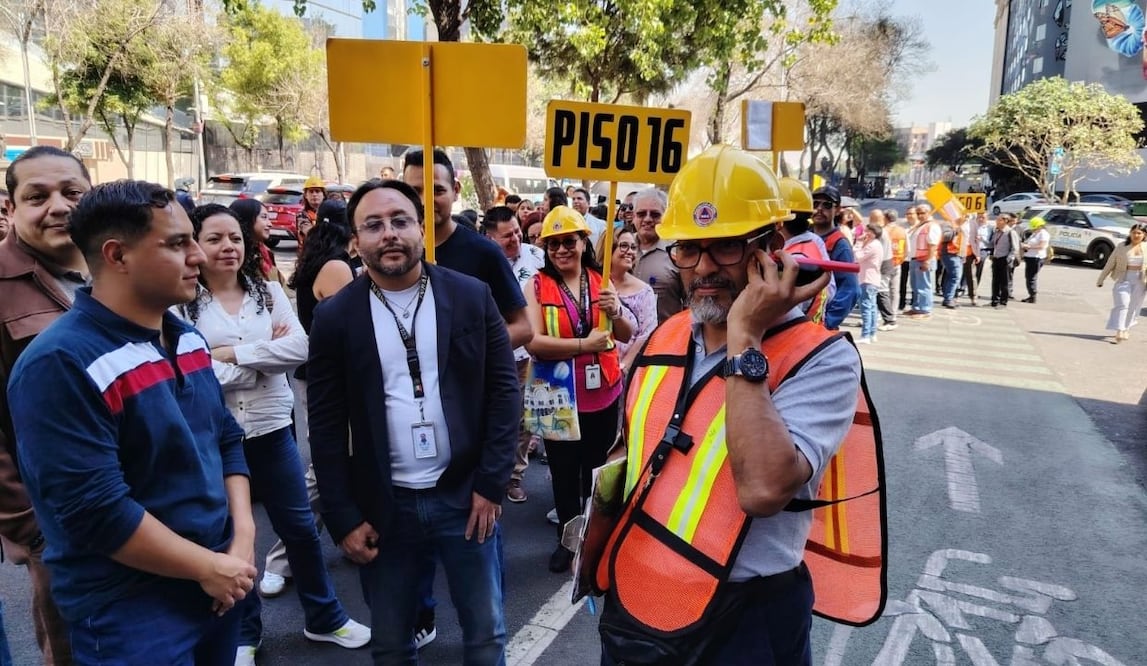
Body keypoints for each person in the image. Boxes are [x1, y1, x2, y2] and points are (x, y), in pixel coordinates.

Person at [595, 145, 860, 665]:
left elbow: (763, 489)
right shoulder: (668, 333)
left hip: (746, 619)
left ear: (772, 247)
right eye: (689, 249)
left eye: (726, 247)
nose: (704, 268)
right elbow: (634, 449)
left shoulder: (823, 357)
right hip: (641, 591)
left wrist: (745, 337)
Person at [9, 180, 258, 664]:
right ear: (117, 255)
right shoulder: (59, 362)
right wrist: (208, 566)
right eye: (177, 244)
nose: (198, 256)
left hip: (218, 581)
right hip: (131, 608)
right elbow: (96, 510)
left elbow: (226, 438)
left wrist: (242, 542)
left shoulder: (186, 337)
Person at [307, 179, 519, 664]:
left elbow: (504, 392)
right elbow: (325, 424)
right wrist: (342, 517)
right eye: (373, 225)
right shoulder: (336, 317)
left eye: (400, 221)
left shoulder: (471, 296)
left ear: (421, 228)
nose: (389, 234)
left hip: (465, 496)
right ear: (355, 240)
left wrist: (491, 482)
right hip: (384, 505)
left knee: (486, 634)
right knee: (391, 643)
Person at [181, 204, 370, 664]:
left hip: (271, 429)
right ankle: (244, 634)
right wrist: (262, 357)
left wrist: (230, 354)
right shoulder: (181, 303)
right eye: (214, 238)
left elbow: (300, 347)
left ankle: (324, 618)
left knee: (300, 528)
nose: (228, 247)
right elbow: (191, 374)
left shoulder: (266, 292)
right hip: (213, 437)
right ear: (195, 245)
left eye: (235, 238)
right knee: (232, 536)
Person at [0, 145, 92, 664]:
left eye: (71, 192)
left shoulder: (118, 264)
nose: (58, 206)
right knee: (76, 649)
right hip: (61, 528)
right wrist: (30, 527)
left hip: (147, 508)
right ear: (11, 207)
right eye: (38, 196)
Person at [524, 206, 632, 574]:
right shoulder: (536, 285)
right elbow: (534, 342)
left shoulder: (602, 280)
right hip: (559, 398)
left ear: (584, 242)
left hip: (602, 394)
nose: (561, 250)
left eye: (568, 241)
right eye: (553, 244)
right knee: (565, 474)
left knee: (596, 470)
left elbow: (626, 334)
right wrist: (585, 345)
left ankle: (594, 537)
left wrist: (616, 311)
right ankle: (567, 542)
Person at [260, 210, 357, 599]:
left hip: (317, 379)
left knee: (347, 465)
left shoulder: (320, 260)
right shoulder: (337, 266)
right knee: (325, 469)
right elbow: (349, 331)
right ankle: (281, 559)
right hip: (333, 383)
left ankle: (350, 534)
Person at [482, 205, 545, 503]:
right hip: (490, 356)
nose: (516, 239)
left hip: (526, 356)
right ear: (490, 238)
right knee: (491, 418)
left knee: (522, 419)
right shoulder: (482, 260)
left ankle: (515, 476)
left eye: (518, 232)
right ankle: (488, 475)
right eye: (507, 236)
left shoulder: (536, 257)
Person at [596, 226, 656, 368]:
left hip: (628, 370)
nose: (630, 252)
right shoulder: (593, 283)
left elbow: (647, 334)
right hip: (596, 366)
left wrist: (623, 367)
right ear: (608, 249)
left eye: (633, 247)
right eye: (624, 246)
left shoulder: (645, 291)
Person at [632, 187, 685, 323]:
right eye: (641, 214)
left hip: (666, 334)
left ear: (665, 217)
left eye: (655, 215)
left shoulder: (678, 252)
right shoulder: (618, 248)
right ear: (633, 217)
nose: (648, 219)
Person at [810, 186, 860, 330]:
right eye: (815, 203)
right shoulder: (802, 235)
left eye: (827, 205)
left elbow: (850, 290)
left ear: (837, 210)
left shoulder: (840, 245)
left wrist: (826, 322)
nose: (819, 209)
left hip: (817, 325)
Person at [1097, 222, 1147, 343]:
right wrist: (1101, 279)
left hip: (1140, 280)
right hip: (1123, 278)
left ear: (1144, 235)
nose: (1136, 235)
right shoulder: (1122, 246)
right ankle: (1120, 330)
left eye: (1139, 233)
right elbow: (1110, 262)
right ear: (1130, 233)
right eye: (1133, 232)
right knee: (1122, 304)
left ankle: (1126, 329)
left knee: (1134, 306)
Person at [229, 197, 285, 285]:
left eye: (268, 218)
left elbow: (281, 285)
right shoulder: (233, 257)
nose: (270, 224)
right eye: (264, 217)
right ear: (247, 219)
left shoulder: (264, 253)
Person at [907, 204, 941, 319]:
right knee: (915, 286)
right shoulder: (921, 225)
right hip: (915, 259)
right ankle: (916, 307)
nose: (920, 215)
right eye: (918, 213)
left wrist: (928, 260)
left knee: (924, 286)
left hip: (924, 260)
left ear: (929, 213)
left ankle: (925, 310)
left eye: (922, 213)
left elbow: (933, 245)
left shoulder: (932, 226)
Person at [854, 223, 885, 344]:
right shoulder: (876, 244)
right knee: (872, 307)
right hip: (872, 279)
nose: (864, 233)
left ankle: (866, 335)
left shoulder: (872, 245)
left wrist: (858, 242)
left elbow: (857, 257)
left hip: (867, 279)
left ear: (871, 233)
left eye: (866, 231)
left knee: (866, 307)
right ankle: (872, 333)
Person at [989, 213, 1021, 308]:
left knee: (1004, 282)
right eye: (997, 220)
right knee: (995, 281)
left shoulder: (1011, 232)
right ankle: (994, 300)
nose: (997, 222)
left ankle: (1003, 302)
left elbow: (1015, 248)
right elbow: (992, 243)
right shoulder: (997, 232)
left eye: (999, 220)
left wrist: (1009, 259)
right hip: (996, 258)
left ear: (1005, 221)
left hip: (1005, 259)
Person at [1020, 216, 1050, 303]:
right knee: (1029, 277)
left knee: (1031, 277)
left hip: (1036, 258)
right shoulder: (1035, 233)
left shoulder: (1043, 234)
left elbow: (1042, 246)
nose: (1033, 229)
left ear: (1039, 226)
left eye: (1034, 227)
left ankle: (1032, 296)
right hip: (1030, 257)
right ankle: (1031, 295)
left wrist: (1028, 246)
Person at [296, 175, 327, 247]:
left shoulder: (330, 213)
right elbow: (310, 233)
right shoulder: (302, 215)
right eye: (311, 191)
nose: (314, 194)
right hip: (310, 252)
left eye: (317, 191)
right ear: (306, 195)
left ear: (324, 195)